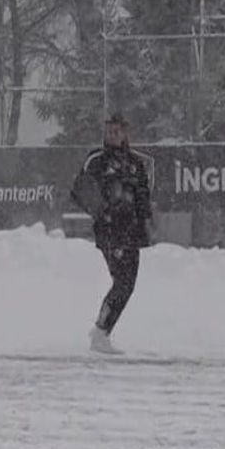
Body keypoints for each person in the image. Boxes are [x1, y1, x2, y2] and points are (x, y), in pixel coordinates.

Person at [70, 113, 152, 355]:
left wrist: (145, 222)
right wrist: (102, 211)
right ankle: (100, 331)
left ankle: (103, 330)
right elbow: (80, 190)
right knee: (122, 281)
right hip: (110, 231)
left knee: (128, 284)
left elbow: (142, 196)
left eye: (117, 131)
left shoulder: (135, 163)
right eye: (109, 131)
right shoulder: (96, 160)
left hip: (131, 232)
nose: (113, 135)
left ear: (126, 133)